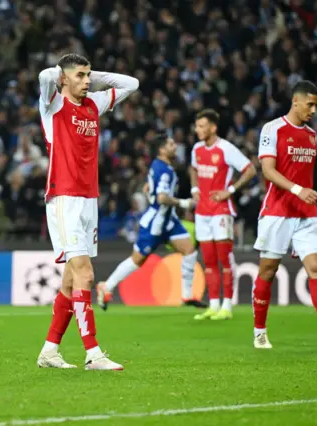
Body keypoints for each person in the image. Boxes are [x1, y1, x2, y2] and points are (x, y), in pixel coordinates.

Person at [36, 53, 139, 370]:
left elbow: (131, 83)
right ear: (64, 79)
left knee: (70, 281)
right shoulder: (52, 103)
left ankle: (49, 352)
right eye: (79, 76)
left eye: (88, 75)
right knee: (85, 273)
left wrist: (92, 75)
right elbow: (43, 76)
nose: (86, 81)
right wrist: (62, 73)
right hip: (64, 197)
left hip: (88, 199)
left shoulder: (94, 103)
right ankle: (93, 353)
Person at [251, 80, 317, 350]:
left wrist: (305, 195)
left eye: (316, 105)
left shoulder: (312, 135)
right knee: (268, 271)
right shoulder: (272, 129)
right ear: (295, 101)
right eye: (309, 104)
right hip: (277, 212)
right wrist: (298, 190)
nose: (313, 110)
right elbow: (268, 170)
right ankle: (260, 331)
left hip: (306, 214)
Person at [95, 135, 204, 310]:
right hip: (156, 224)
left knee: (189, 250)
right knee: (137, 260)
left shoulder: (158, 165)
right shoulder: (165, 170)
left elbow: (148, 188)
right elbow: (161, 197)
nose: (174, 146)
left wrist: (151, 195)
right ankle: (106, 286)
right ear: (161, 150)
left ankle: (187, 295)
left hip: (169, 221)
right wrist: (183, 203)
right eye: (170, 144)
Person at [189, 109, 257, 321]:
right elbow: (193, 169)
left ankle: (227, 305)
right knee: (208, 261)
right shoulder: (197, 149)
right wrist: (194, 189)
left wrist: (231, 190)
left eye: (201, 126)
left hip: (221, 210)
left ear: (213, 127)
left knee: (224, 259)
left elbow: (250, 170)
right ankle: (213, 305)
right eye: (197, 126)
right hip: (202, 212)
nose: (197, 130)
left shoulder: (226, 149)